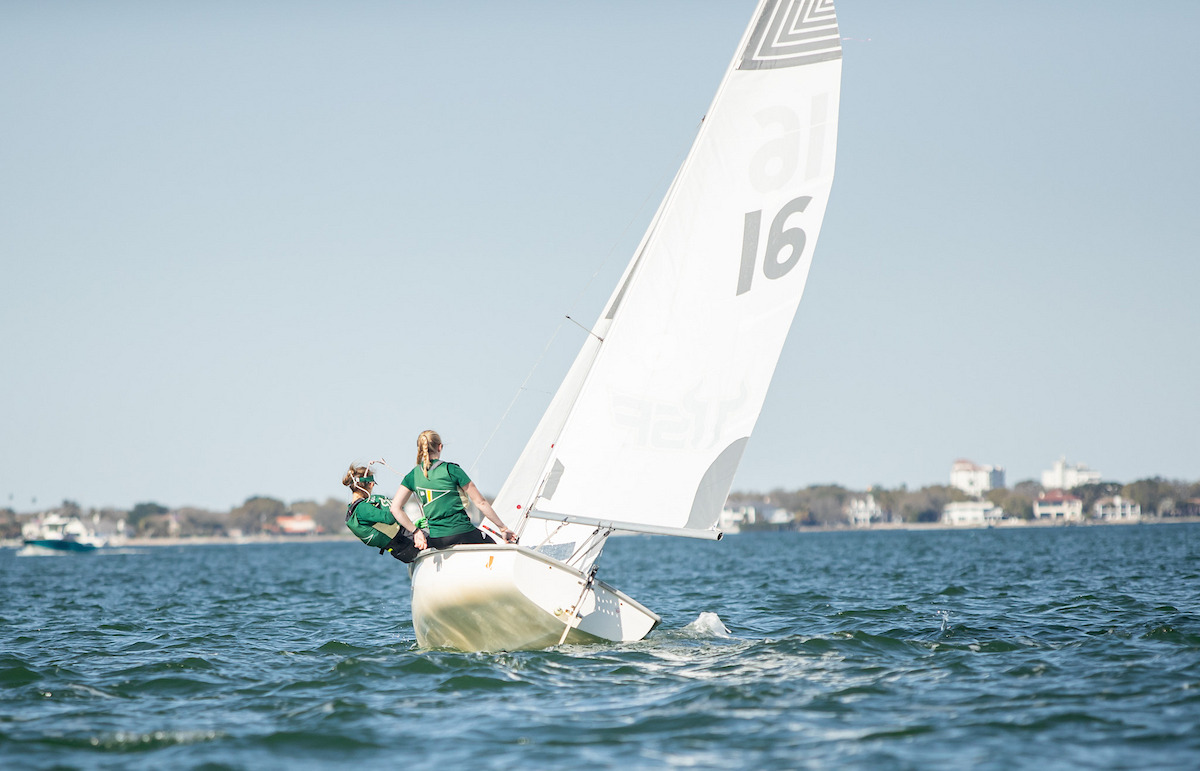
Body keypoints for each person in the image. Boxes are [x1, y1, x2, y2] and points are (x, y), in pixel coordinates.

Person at [390, 430, 516, 549]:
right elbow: (480, 502)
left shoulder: (412, 475)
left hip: (437, 539)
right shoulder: (451, 469)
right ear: (440, 447)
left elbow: (395, 508)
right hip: (463, 533)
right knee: (492, 545)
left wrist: (416, 531)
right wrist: (503, 528)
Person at [341, 463, 423, 562]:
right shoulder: (363, 508)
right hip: (407, 542)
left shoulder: (353, 508)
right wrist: (402, 499)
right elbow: (390, 518)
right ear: (370, 484)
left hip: (401, 549)